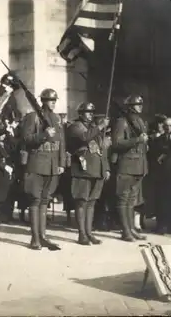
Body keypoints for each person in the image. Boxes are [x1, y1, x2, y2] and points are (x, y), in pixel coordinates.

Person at [21, 88, 65, 251]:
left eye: (54, 100)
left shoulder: (57, 118)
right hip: (37, 162)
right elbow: (26, 139)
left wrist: (61, 163)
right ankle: (35, 238)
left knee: (45, 201)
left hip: (53, 164)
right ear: (43, 101)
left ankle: (43, 236)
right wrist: (44, 135)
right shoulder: (33, 117)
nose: (53, 102)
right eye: (50, 100)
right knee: (35, 200)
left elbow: (62, 142)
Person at [66, 103, 110, 245]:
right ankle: (81, 234)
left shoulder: (94, 128)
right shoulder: (75, 126)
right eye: (87, 112)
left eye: (92, 112)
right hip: (82, 170)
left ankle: (89, 232)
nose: (90, 114)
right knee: (81, 202)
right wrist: (100, 127)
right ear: (80, 113)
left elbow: (102, 150)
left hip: (96, 169)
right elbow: (84, 138)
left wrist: (106, 168)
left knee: (91, 202)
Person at [111, 94, 148, 242]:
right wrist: (137, 140)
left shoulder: (139, 121)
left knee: (132, 200)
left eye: (140, 104)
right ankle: (125, 231)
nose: (140, 107)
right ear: (130, 107)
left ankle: (132, 228)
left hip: (138, 165)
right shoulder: (122, 122)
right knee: (123, 199)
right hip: (126, 164)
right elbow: (117, 143)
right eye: (137, 104)